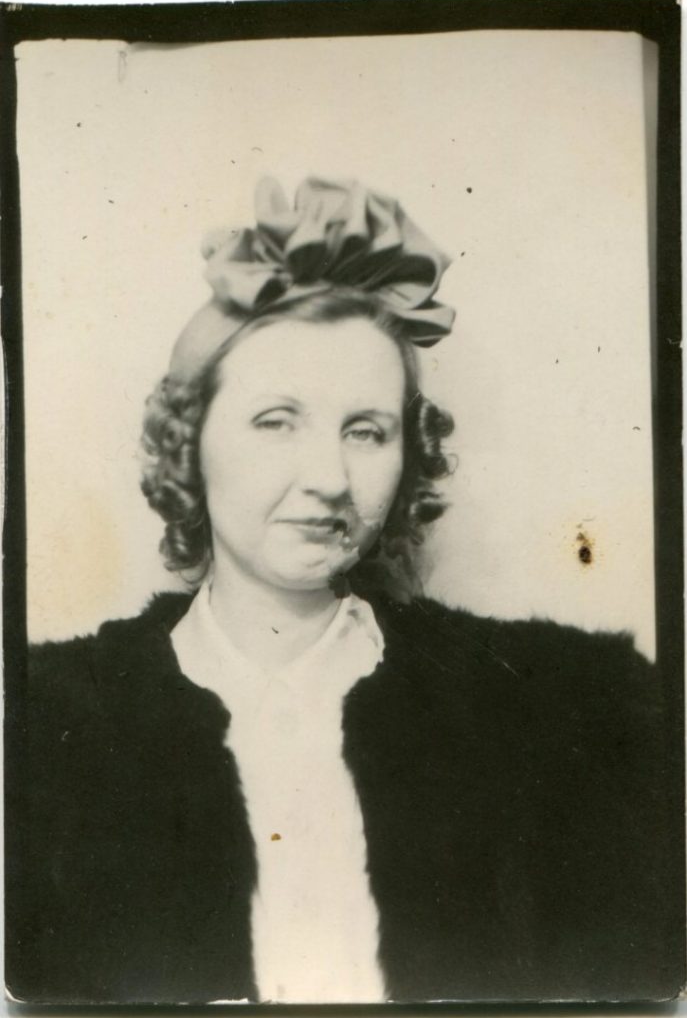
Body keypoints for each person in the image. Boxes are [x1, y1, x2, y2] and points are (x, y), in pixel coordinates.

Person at [6, 178, 680, 1005]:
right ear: (188, 442)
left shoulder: (567, 709)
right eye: (275, 419)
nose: (328, 479)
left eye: (365, 431)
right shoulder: (48, 721)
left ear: (408, 455)